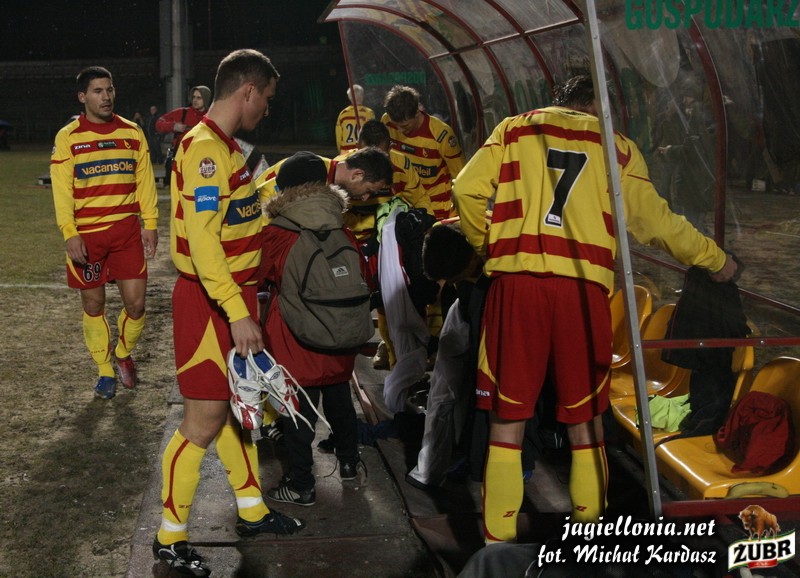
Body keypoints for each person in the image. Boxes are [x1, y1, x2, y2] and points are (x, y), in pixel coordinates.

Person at [452, 74, 738, 545]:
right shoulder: (616, 146)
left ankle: (497, 544)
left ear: (560, 101)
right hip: (582, 292)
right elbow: (654, 221)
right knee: (585, 422)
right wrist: (716, 259)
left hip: (517, 286)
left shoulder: (514, 128)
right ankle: (589, 538)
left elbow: (465, 190)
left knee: (508, 419)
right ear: (600, 104)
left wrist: (490, 247)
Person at [155, 49, 301, 577]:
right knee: (202, 421)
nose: (267, 107)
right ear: (247, 91)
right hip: (209, 302)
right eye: (267, 97)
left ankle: (252, 510)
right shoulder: (205, 151)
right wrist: (239, 311)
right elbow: (203, 243)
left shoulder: (226, 148)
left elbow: (237, 220)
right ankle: (169, 538)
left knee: (235, 409)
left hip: (227, 298)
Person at [260, 152, 369, 507]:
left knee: (298, 411)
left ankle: (302, 484)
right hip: (341, 334)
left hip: (297, 338)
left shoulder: (277, 233)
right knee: (340, 399)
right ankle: (349, 464)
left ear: (283, 189)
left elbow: (257, 276)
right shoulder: (342, 226)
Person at [50, 65, 158, 399]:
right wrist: (69, 233)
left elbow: (145, 181)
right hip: (87, 235)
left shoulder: (132, 132)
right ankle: (104, 370)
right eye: (98, 91)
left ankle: (123, 354)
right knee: (94, 304)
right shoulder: (68, 138)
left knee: (136, 305)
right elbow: (62, 190)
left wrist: (150, 223)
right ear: (82, 97)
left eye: (109, 89)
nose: (106, 96)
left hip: (126, 231)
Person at [382, 84, 466, 220]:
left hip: (436, 210)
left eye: (404, 125)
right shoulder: (386, 121)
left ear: (417, 112)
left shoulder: (441, 135)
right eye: (396, 125)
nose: (399, 130)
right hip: (403, 207)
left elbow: (460, 177)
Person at [156, 84, 211, 174]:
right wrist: (173, 126)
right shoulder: (182, 113)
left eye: (199, 98)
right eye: (193, 97)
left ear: (206, 100)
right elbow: (159, 124)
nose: (195, 100)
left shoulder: (211, 117)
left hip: (203, 163)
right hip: (181, 162)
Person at [335, 83, 375, 155]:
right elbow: (372, 135)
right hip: (363, 152)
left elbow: (338, 137)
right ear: (362, 96)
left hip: (345, 153)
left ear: (349, 97)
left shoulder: (343, 113)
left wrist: (340, 152)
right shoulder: (369, 113)